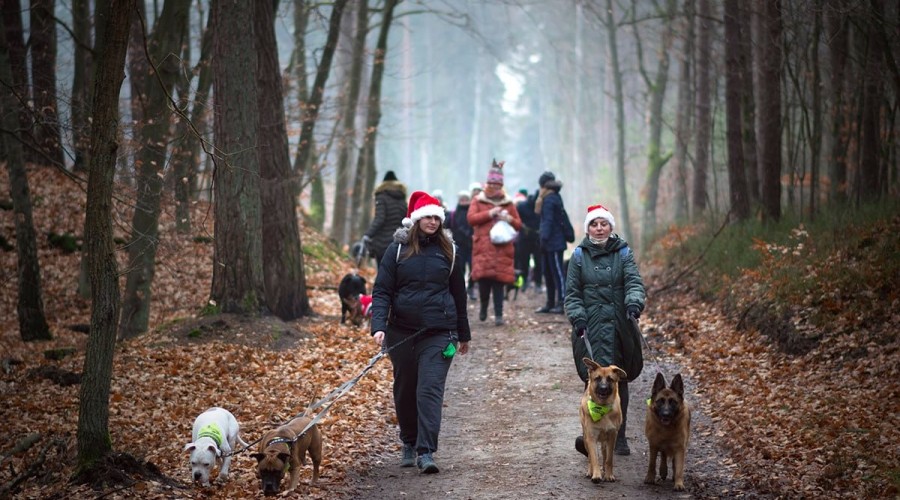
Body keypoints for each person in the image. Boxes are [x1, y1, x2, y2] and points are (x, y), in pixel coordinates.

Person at [370, 190, 471, 474]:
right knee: (405, 390)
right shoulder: (397, 250)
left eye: (436, 218)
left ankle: (426, 452)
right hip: (401, 332)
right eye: (427, 217)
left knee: (429, 389)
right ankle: (409, 441)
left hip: (439, 333)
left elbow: (459, 294)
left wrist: (463, 334)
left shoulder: (449, 251)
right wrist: (379, 326)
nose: (432, 222)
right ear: (415, 220)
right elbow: (382, 290)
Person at [564, 203, 646, 457]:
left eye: (603, 224)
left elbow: (634, 282)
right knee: (593, 380)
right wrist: (578, 318)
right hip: (590, 327)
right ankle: (590, 435)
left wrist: (634, 303)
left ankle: (618, 436)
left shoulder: (623, 253)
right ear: (588, 228)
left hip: (620, 326)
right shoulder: (578, 256)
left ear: (610, 227)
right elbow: (572, 293)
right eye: (594, 224)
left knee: (619, 379)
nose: (599, 228)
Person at [467, 159, 522, 326]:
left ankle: (499, 315)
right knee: (484, 283)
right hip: (483, 249)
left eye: (498, 185)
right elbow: (471, 219)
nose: (494, 187)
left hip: (502, 249)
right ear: (487, 184)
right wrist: (490, 214)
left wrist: (508, 218)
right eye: (492, 184)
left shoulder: (508, 203)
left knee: (499, 282)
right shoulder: (478, 200)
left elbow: (518, 224)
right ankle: (484, 307)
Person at [535, 171, 570, 314]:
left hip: (554, 242)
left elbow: (548, 221)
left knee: (557, 273)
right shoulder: (553, 196)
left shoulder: (550, 199)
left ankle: (561, 303)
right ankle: (550, 303)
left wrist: (543, 238)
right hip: (550, 242)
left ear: (543, 185)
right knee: (548, 273)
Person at [363, 171, 408, 265]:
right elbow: (405, 220)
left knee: (383, 269)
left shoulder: (381, 196)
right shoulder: (402, 198)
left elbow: (380, 218)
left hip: (382, 243)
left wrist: (368, 234)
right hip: (399, 242)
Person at [449, 190, 476, 300]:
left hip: (472, 245)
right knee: (460, 269)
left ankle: (471, 288)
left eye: (466, 199)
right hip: (459, 245)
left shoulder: (473, 212)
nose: (464, 202)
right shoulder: (453, 214)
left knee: (473, 268)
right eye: (462, 199)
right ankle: (461, 290)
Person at [515, 188, 542, 292]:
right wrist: (522, 227)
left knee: (539, 261)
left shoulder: (543, 206)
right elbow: (516, 220)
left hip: (538, 238)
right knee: (523, 261)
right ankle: (524, 282)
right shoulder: (522, 206)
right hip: (524, 238)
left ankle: (538, 283)